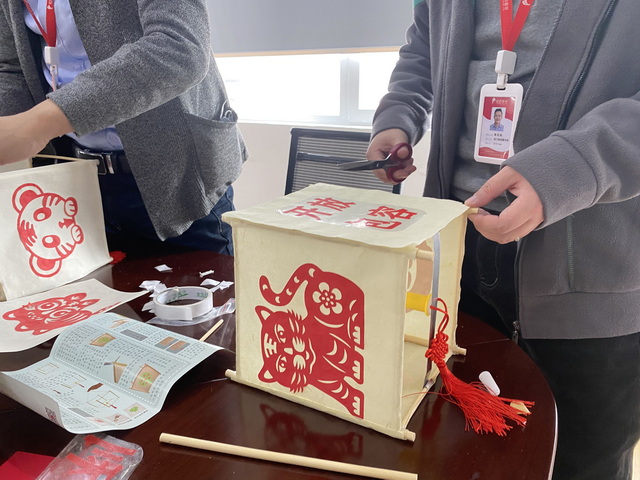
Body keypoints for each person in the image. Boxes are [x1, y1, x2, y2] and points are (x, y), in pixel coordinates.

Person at [367, 1, 640, 479]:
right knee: (457, 451)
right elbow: (422, 52)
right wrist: (397, 116)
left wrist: (572, 167)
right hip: (455, 257)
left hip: (590, 275)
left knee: (580, 462)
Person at [0, 0, 247, 255]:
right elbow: (11, 65)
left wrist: (38, 124)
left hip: (177, 178)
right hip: (75, 182)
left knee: (202, 280)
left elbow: (179, 48)